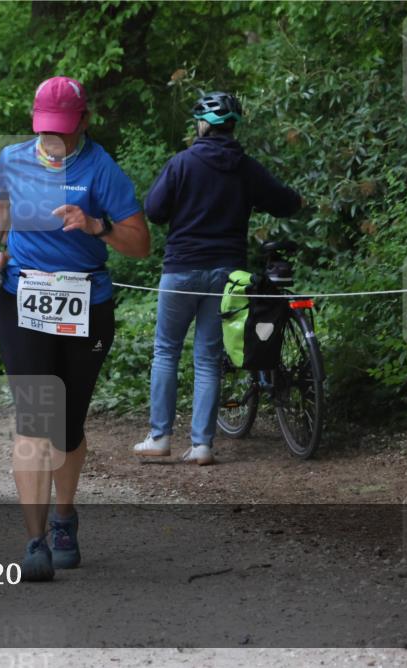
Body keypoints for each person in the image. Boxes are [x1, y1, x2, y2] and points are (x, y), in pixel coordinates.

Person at [0, 77, 150, 580]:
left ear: (85, 122)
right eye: (47, 129)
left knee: (67, 426)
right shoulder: (12, 158)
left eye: (65, 130)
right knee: (34, 420)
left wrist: (98, 226)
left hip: (86, 303)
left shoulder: (102, 169)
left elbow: (141, 244)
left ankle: (64, 518)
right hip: (22, 300)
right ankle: (35, 541)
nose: (55, 139)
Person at [133, 91, 302, 465]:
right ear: (233, 127)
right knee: (207, 359)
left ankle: (160, 437)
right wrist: (296, 200)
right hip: (227, 274)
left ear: (203, 125)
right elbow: (285, 201)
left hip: (181, 270)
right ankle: (202, 445)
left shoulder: (181, 163)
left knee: (166, 351)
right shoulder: (247, 168)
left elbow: (155, 210)